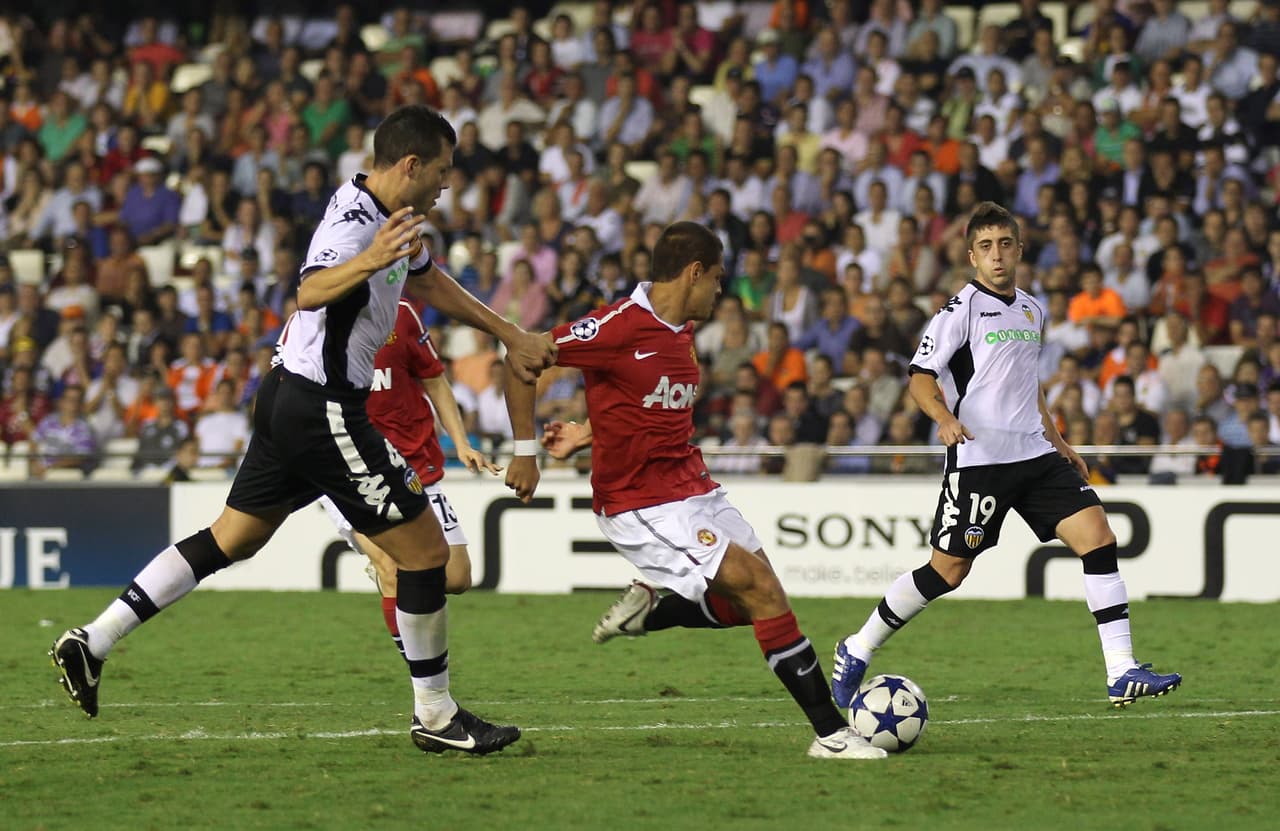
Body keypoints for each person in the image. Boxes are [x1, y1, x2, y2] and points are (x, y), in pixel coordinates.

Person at [50, 106, 555, 756]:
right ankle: (436, 716)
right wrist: (370, 258)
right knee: (428, 554)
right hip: (324, 408)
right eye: (441, 170)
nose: (445, 184)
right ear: (410, 165)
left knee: (231, 538)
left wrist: (508, 332)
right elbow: (310, 291)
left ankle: (93, 640)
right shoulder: (355, 222)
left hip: (288, 396)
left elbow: (427, 278)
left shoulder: (395, 218)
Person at [503, 221, 885, 760]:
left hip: (693, 486)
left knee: (750, 603)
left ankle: (650, 612)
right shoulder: (616, 325)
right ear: (694, 272)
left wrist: (587, 431)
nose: (721, 291)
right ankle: (831, 734)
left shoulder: (681, 329)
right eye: (718, 280)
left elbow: (641, 401)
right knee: (761, 589)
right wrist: (526, 451)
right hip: (642, 501)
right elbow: (521, 357)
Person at [830, 202, 1181, 712]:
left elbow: (1026, 381)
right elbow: (920, 376)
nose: (997, 255)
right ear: (972, 255)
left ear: (1019, 249)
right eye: (986, 246)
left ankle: (1121, 670)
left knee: (1099, 538)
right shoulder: (959, 310)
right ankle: (858, 646)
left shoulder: (1032, 309)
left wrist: (1059, 441)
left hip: (1036, 455)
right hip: (980, 458)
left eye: (1005, 244)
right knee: (948, 571)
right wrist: (944, 419)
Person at [318, 297, 502, 657]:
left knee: (457, 577)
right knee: (392, 565)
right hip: (349, 471)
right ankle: (422, 676)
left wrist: (461, 443)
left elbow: (435, 381)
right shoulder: (317, 322)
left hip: (414, 467)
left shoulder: (401, 315)